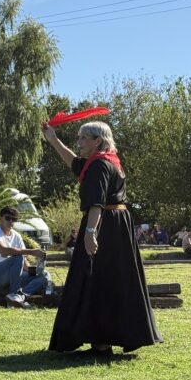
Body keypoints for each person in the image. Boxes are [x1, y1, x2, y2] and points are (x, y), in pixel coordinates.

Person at [42, 121, 162, 355]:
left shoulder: (98, 165)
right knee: (108, 280)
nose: (79, 142)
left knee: (98, 279)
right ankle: (101, 340)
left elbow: (96, 202)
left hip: (104, 224)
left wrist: (89, 232)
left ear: (97, 140)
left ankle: (101, 342)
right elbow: (74, 164)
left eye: (83, 138)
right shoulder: (108, 161)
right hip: (117, 225)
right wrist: (53, 140)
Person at [0, 206, 48, 308]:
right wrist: (31, 251)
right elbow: (4, 251)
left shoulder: (17, 236)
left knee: (44, 275)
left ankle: (19, 296)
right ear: (1, 219)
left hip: (13, 277)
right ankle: (14, 294)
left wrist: (36, 271)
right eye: (8, 218)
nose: (11, 221)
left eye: (14, 219)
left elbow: (25, 265)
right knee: (18, 257)